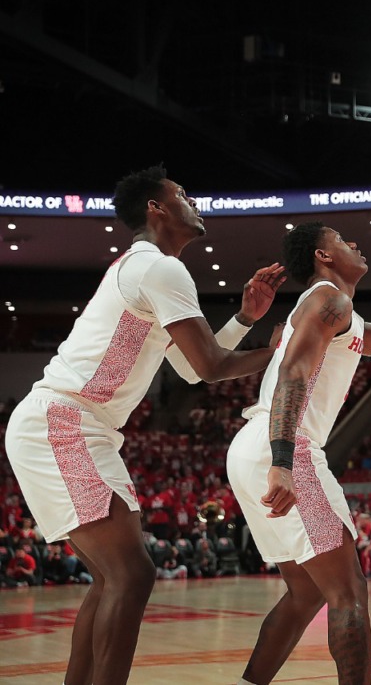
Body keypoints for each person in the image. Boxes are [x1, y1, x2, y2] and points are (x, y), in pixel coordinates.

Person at [3, 165, 283, 685]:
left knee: (113, 579)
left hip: (74, 423)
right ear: (156, 209)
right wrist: (288, 351)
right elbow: (212, 367)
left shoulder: (148, 270)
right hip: (66, 420)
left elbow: (189, 367)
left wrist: (245, 319)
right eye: (181, 194)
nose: (192, 201)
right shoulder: (159, 268)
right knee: (132, 575)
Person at [226, 222, 371, 685]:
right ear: (323, 257)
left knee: (306, 594)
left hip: (252, 448)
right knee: (349, 591)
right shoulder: (329, 299)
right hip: (284, 447)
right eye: (343, 241)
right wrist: (284, 462)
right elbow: (292, 373)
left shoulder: (334, 310)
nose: (355, 245)